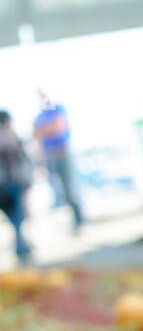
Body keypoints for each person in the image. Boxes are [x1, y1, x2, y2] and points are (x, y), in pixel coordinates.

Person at [32, 89, 83, 230]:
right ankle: (69, 221)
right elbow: (37, 135)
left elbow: (58, 127)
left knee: (70, 188)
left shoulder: (57, 109)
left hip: (63, 151)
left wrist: (45, 129)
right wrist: (48, 129)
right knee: (56, 189)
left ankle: (79, 220)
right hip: (49, 154)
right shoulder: (39, 116)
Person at [0, 110, 34, 266]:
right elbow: (19, 165)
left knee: (15, 220)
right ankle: (22, 250)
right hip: (9, 186)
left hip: (5, 186)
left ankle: (23, 247)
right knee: (18, 219)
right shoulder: (9, 139)